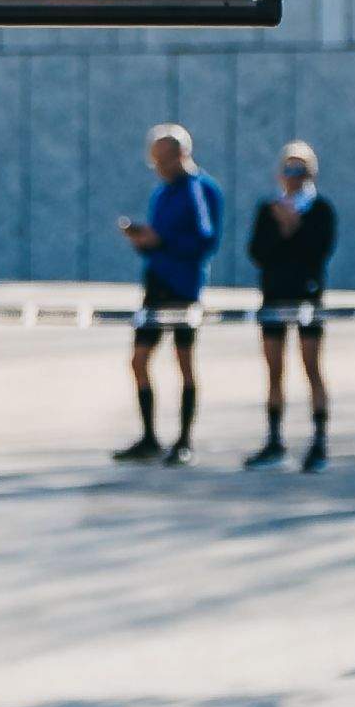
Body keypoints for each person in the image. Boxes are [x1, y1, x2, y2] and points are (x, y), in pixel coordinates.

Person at [115, 124, 220, 465]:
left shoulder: (198, 189)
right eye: (155, 161)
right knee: (139, 360)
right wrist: (143, 240)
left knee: (184, 361)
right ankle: (149, 436)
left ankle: (185, 439)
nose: (159, 167)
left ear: (181, 155)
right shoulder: (162, 193)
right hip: (157, 283)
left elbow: (204, 240)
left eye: (164, 160)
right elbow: (158, 238)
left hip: (183, 286)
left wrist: (162, 242)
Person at [246, 141, 337, 472]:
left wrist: (294, 227)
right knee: (274, 370)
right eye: (288, 169)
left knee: (311, 366)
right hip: (274, 295)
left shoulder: (320, 209)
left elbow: (319, 251)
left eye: (300, 170)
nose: (293, 177)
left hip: (306, 296)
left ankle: (319, 441)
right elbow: (257, 252)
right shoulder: (268, 208)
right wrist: (280, 227)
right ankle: (273, 440)